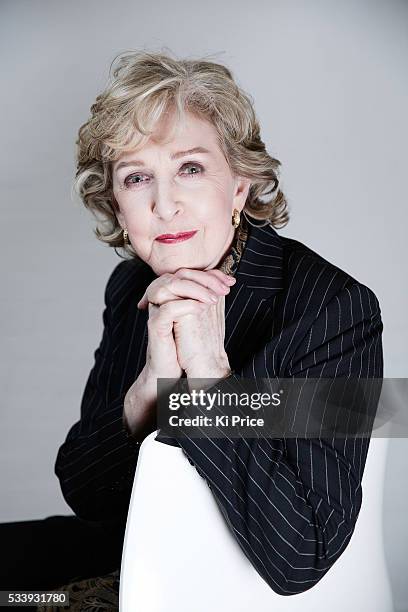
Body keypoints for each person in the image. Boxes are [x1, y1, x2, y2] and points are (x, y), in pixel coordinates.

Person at [1, 50, 383, 610]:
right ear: (117, 205)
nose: (165, 203)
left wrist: (209, 378)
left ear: (239, 187)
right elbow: (88, 495)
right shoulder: (132, 285)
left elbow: (299, 557)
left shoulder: (331, 308)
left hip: (231, 579)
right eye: (137, 178)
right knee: (18, 589)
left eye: (191, 168)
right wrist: (152, 386)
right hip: (136, 544)